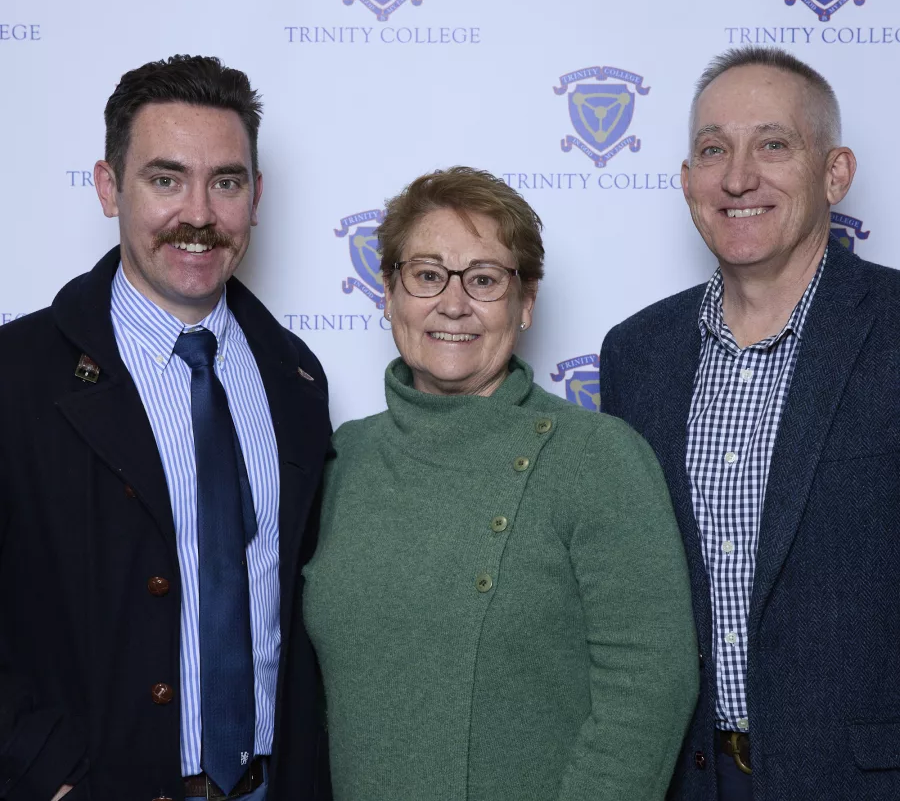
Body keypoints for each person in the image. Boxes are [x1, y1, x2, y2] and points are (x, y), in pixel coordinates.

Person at [303, 166, 698, 801]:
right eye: (427, 275)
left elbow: (648, 686)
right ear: (388, 292)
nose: (452, 304)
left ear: (527, 301)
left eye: (484, 280)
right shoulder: (342, 457)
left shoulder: (598, 459)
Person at [0, 56, 331, 800]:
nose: (200, 214)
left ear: (256, 195)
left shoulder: (297, 379)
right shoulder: (16, 378)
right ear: (108, 186)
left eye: (227, 181)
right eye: (164, 179)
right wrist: (49, 776)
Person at [600, 46, 900, 801]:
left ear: (835, 173)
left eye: (773, 144)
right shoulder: (636, 354)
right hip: (686, 780)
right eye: (712, 150)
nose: (738, 177)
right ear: (686, 180)